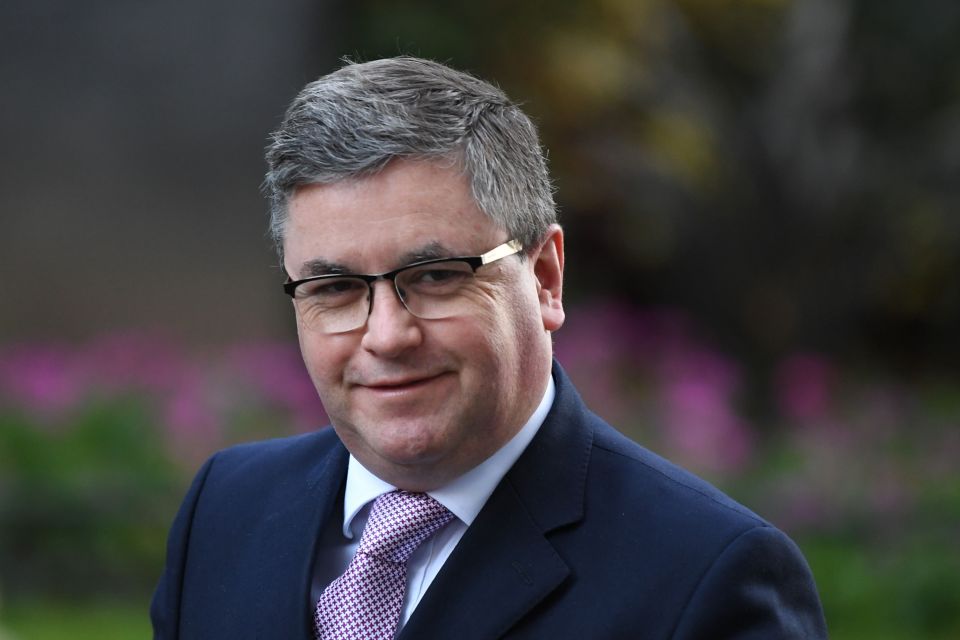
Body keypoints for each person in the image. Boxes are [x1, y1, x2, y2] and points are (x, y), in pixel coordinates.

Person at [151, 56, 827, 639]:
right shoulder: (226, 510)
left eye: (437, 276)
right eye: (335, 287)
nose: (387, 335)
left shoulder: (706, 577)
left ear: (544, 278)